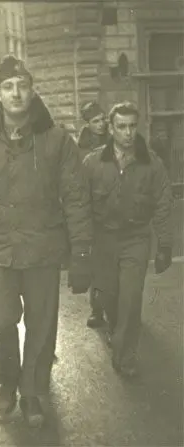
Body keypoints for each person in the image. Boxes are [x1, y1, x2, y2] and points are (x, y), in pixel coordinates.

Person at [0, 55, 92, 427]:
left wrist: (81, 251)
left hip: (44, 249)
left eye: (23, 85)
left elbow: (76, 197)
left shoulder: (57, 140)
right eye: (8, 86)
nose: (16, 93)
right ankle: (9, 375)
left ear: (32, 91)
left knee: (42, 326)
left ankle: (30, 390)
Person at [82, 102, 173, 378]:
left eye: (133, 125)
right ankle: (115, 329)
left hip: (135, 239)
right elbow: (80, 205)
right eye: (121, 126)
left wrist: (165, 245)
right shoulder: (93, 163)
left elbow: (163, 204)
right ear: (111, 128)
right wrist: (79, 246)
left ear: (139, 126)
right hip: (104, 240)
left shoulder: (152, 163)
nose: (128, 132)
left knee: (131, 298)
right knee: (108, 296)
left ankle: (125, 354)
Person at [77, 102, 109, 329]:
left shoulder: (115, 140)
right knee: (98, 266)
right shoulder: (80, 149)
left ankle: (122, 310)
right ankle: (97, 310)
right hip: (93, 215)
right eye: (96, 120)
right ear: (87, 124)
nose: (101, 124)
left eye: (103, 119)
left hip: (116, 210)